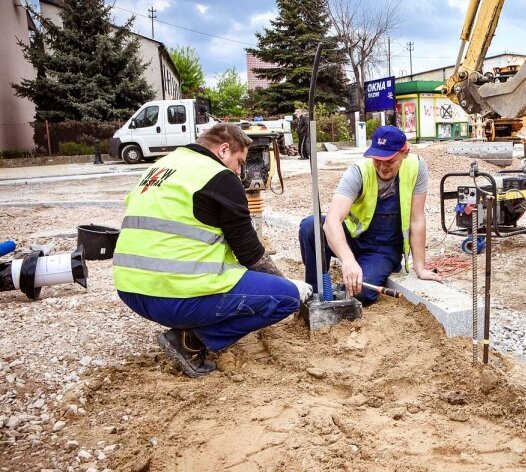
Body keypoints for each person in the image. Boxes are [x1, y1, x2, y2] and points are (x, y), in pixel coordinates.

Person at [113, 124, 310, 378]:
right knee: (286, 299)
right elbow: (249, 252)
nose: (241, 172)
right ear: (224, 150)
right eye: (240, 162)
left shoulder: (161, 166)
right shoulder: (218, 176)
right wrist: (289, 285)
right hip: (172, 297)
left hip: (132, 290)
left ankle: (189, 323)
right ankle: (190, 340)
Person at [298, 125, 442, 304]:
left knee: (360, 292)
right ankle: (315, 291)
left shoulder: (416, 167)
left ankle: (359, 276)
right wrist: (348, 260)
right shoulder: (359, 171)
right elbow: (332, 220)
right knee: (310, 227)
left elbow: (417, 219)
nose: (382, 166)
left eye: (389, 160)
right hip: (354, 238)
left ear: (404, 153)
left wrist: (420, 268)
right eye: (377, 159)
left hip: (383, 248)